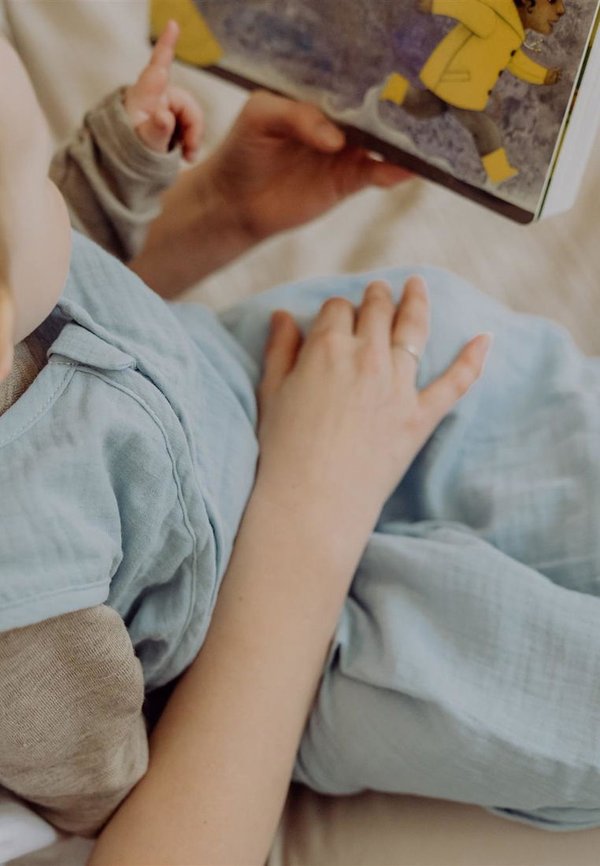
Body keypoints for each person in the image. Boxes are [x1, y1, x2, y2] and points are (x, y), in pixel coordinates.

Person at [2, 18, 600, 866]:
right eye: (34, 177)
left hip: (257, 381)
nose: (51, 190)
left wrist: (198, 200)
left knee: (514, 395)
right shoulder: (23, 599)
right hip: (264, 641)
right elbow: (110, 782)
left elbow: (54, 298)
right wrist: (310, 509)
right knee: (545, 690)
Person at [379, 0, 564, 184]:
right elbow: (465, 7)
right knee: (485, 130)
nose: (561, 10)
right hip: (457, 85)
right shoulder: (493, 18)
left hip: (459, 86)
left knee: (425, 108)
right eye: (552, 1)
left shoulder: (511, 32)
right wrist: (435, 4)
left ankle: (393, 86)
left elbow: (516, 61)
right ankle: (500, 176)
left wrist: (543, 76)